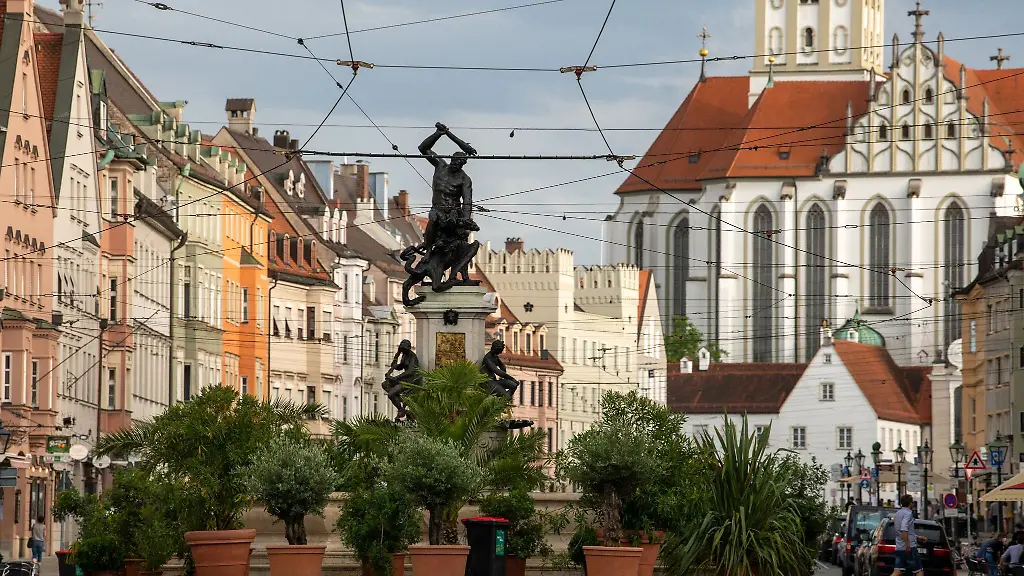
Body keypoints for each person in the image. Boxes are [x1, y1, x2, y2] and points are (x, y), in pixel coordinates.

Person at [892, 494, 928, 576]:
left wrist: (918, 537)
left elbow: (900, 531)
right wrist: (907, 545)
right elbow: (904, 529)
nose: (913, 504)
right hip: (909, 548)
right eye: (912, 502)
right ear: (910, 503)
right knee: (919, 571)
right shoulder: (908, 513)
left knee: (897, 571)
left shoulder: (898, 513)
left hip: (899, 547)